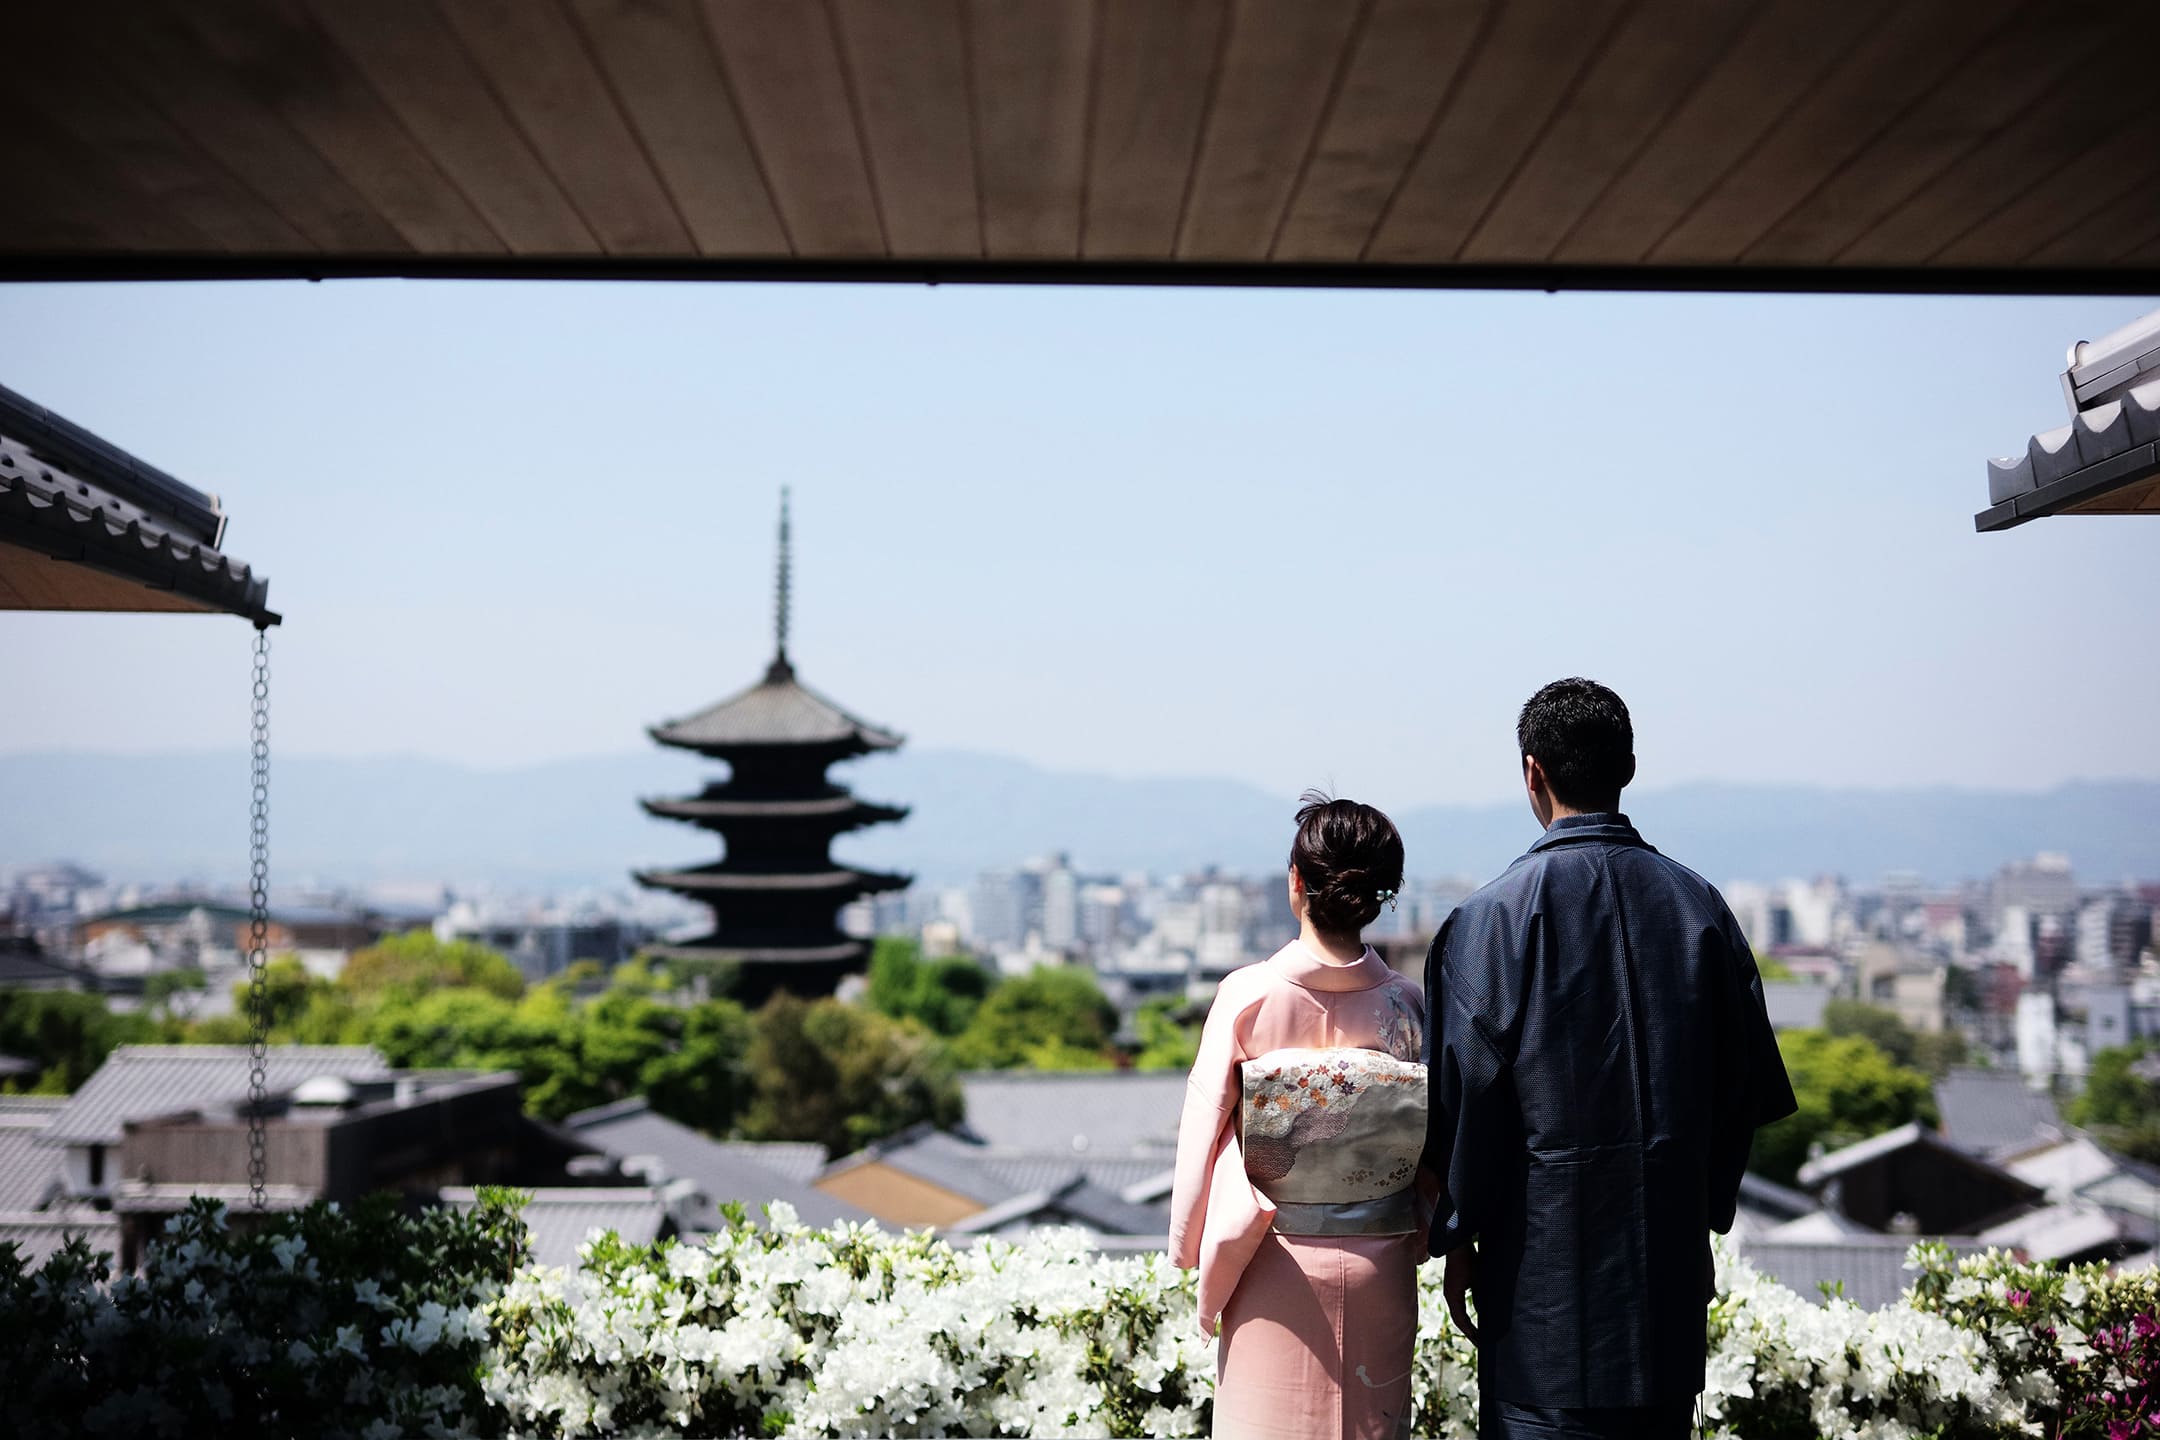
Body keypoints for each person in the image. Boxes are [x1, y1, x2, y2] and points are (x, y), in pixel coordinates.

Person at [1423, 678, 1796, 1440]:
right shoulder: (1701, 912)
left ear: (1533, 773)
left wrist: (1460, 1235)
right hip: (1665, 1296)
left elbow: (1460, 1109)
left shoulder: (1489, 922)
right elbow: (1743, 1091)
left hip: (1537, 1308)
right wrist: (1698, 1210)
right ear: (1628, 767)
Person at [1170, 793, 1434, 1440]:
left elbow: (1204, 1133)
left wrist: (1187, 1246)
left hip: (1271, 1260)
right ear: (1380, 896)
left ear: (1297, 883)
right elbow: (1433, 1144)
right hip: (1381, 1256)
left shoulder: (1248, 998)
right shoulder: (1408, 1007)